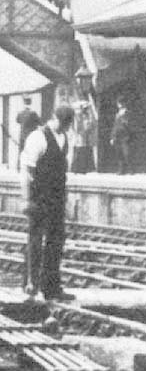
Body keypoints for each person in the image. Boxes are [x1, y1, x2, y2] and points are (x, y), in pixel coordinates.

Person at [20, 105, 76, 301]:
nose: (64, 127)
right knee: (35, 240)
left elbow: (62, 172)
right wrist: (27, 199)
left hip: (57, 197)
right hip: (39, 197)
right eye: (62, 123)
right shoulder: (38, 137)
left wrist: (65, 200)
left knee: (56, 241)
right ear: (54, 119)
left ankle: (51, 286)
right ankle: (31, 284)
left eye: (67, 124)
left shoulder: (64, 138)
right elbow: (28, 170)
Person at [15, 97, 40, 171]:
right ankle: (30, 168)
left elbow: (17, 121)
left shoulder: (20, 113)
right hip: (31, 136)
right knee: (32, 152)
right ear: (31, 103)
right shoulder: (33, 113)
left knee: (21, 151)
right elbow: (39, 122)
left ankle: (19, 168)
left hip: (22, 135)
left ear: (24, 103)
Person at [70, 102, 96, 174]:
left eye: (86, 109)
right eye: (84, 109)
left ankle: (85, 169)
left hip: (86, 137)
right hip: (79, 137)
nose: (85, 110)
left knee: (86, 152)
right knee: (79, 152)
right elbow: (76, 127)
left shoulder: (88, 116)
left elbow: (93, 124)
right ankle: (77, 169)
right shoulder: (77, 116)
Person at [110, 96, 133, 174]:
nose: (119, 104)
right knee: (119, 153)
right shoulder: (117, 114)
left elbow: (128, 123)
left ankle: (130, 169)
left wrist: (123, 120)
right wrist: (112, 137)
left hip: (125, 135)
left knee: (126, 153)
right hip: (117, 135)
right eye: (118, 103)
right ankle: (121, 170)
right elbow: (115, 126)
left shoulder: (127, 112)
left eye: (120, 103)